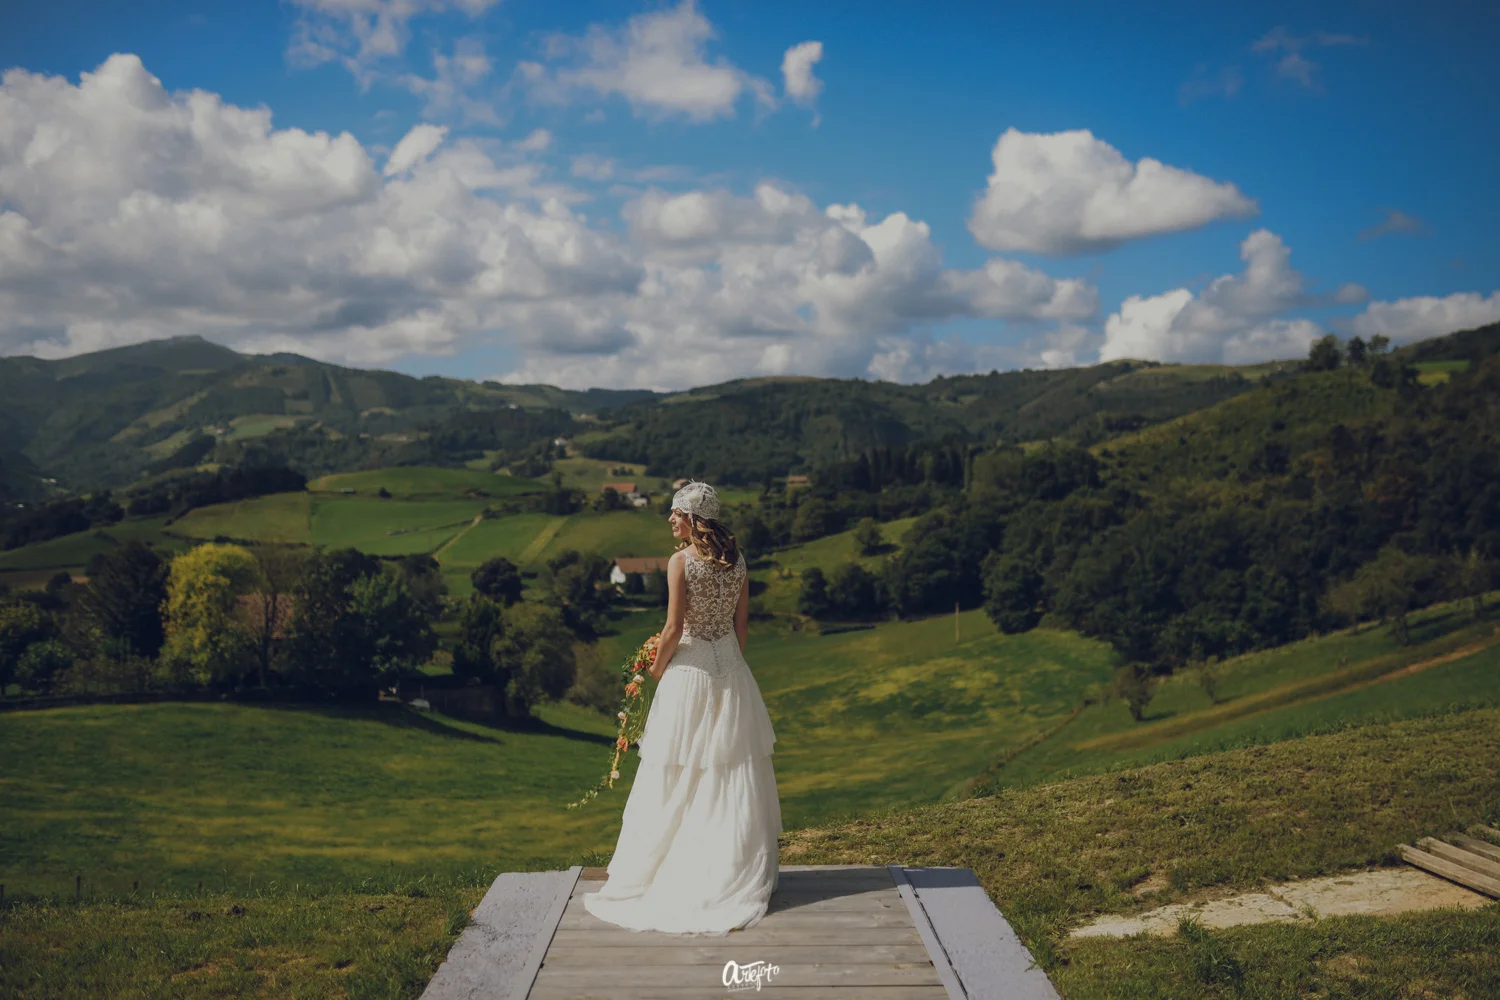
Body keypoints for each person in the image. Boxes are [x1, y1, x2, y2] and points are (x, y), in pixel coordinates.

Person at [582, 480, 783, 935]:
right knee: (729, 768)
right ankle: (732, 865)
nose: (670, 521)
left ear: (693, 520)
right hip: (731, 670)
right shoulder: (739, 563)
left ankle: (670, 867)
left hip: (688, 675)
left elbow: (673, 627)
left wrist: (653, 669)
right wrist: (729, 664)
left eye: (675, 514)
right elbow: (742, 626)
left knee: (677, 769)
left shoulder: (680, 563)